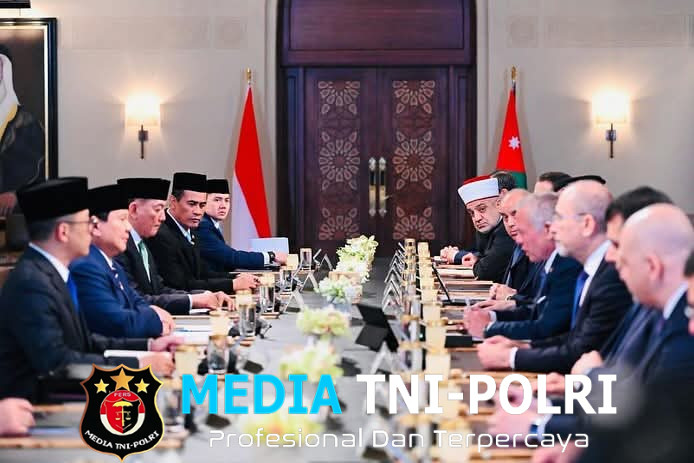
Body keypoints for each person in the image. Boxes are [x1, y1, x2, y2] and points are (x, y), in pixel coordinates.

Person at [489, 206, 694, 460]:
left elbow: (649, 428)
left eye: (617, 246)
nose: (611, 257)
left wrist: (539, 425)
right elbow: (632, 401)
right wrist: (548, 406)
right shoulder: (653, 309)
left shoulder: (680, 327)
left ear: (652, 266)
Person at [0, 178, 178, 401]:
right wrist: (138, 364)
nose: (92, 229)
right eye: (86, 222)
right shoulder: (32, 283)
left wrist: (149, 346)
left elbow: (86, 342)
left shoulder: (50, 272)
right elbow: (59, 364)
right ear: (63, 232)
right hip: (41, 405)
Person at [477, 180, 632, 372]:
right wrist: (523, 347)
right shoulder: (593, 270)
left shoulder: (610, 277)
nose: (552, 228)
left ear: (587, 224)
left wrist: (511, 357)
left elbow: (581, 349)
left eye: (559, 218)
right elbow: (573, 337)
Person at [465, 193, 581, 340]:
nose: (518, 240)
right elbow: (537, 309)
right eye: (505, 217)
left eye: (523, 232)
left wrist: (489, 329)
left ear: (548, 229)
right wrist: (493, 316)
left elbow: (548, 327)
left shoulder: (567, 264)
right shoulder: (553, 259)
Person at [115, 177, 233, 315]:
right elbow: (137, 301)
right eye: (157, 209)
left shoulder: (141, 244)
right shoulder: (120, 249)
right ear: (134, 210)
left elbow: (159, 289)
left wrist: (204, 295)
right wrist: (192, 300)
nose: (163, 217)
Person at [70, 184, 171, 338]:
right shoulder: (86, 265)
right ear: (95, 226)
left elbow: (136, 300)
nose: (128, 227)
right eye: (122, 219)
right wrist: (155, 319)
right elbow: (114, 321)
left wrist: (153, 313)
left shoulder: (112, 264)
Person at [146, 172, 257, 292]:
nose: (198, 212)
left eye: (202, 205)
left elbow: (202, 273)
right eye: (192, 204)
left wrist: (237, 277)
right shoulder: (161, 234)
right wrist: (232, 284)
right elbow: (181, 285)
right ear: (173, 202)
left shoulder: (191, 229)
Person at [197, 178, 287, 271]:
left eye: (227, 200)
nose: (223, 206)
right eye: (217, 200)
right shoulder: (202, 226)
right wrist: (271, 256)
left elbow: (224, 261)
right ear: (203, 203)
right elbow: (231, 258)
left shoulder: (211, 224)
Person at [440, 175, 515, 283]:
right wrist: (469, 258)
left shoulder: (508, 228)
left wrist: (458, 256)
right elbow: (480, 254)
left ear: (499, 203)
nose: (477, 218)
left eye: (482, 209)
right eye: (471, 213)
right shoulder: (488, 227)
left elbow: (485, 271)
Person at [0, 46, 45, 217]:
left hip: (14, 216)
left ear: (4, 72)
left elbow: (38, 171)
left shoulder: (26, 123)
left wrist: (15, 194)